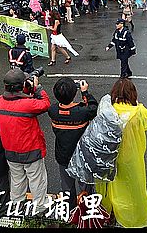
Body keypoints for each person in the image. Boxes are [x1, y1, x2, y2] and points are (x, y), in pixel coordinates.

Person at [95, 78, 147, 228]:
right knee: (131, 188)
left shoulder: (107, 109)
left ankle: (110, 213)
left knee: (111, 187)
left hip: (109, 156)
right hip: (130, 157)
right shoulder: (139, 112)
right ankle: (130, 217)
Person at [0, 68, 50, 211]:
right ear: (22, 86)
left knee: (17, 180)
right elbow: (45, 104)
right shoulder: (28, 105)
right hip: (31, 150)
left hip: (10, 150)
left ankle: (17, 206)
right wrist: (37, 88)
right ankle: (40, 208)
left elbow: (17, 100)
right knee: (36, 180)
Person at [47, 78, 98, 208]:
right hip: (81, 156)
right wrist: (85, 93)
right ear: (74, 93)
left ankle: (70, 212)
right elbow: (94, 107)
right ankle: (85, 210)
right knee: (85, 186)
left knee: (67, 187)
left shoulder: (53, 111)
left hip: (63, 156)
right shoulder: (82, 112)